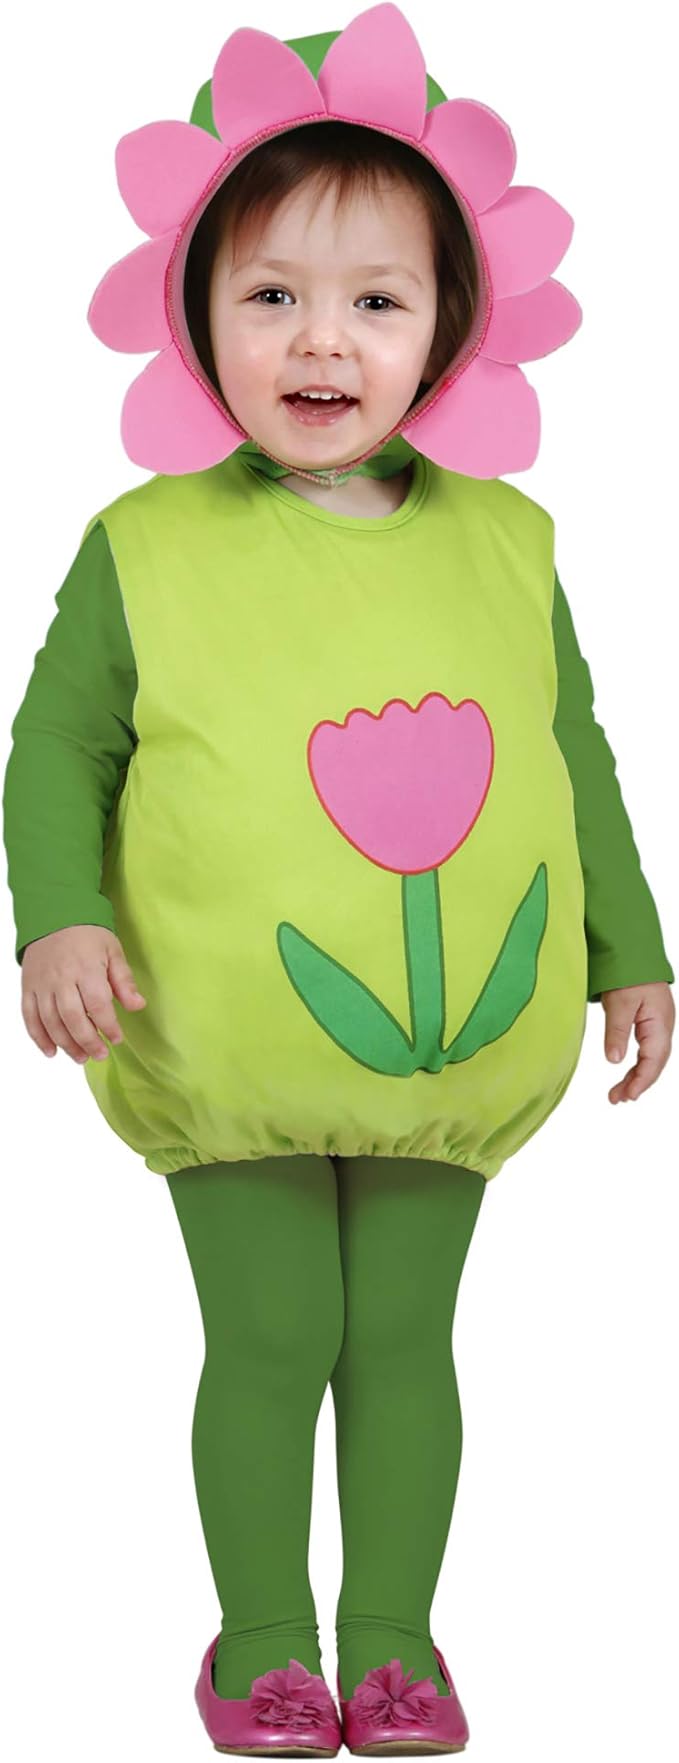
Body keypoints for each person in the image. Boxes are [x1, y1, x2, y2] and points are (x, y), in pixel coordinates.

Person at [2, 5, 675, 1755]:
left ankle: (395, 1643)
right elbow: (58, 746)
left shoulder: (506, 542)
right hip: (221, 1027)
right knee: (278, 1324)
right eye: (272, 295)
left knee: (405, 1342)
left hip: (447, 1043)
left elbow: (569, 747)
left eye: (377, 299)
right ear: (193, 315)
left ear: (452, 322)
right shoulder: (147, 544)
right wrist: (58, 913)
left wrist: (630, 942)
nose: (322, 338)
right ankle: (259, 1641)